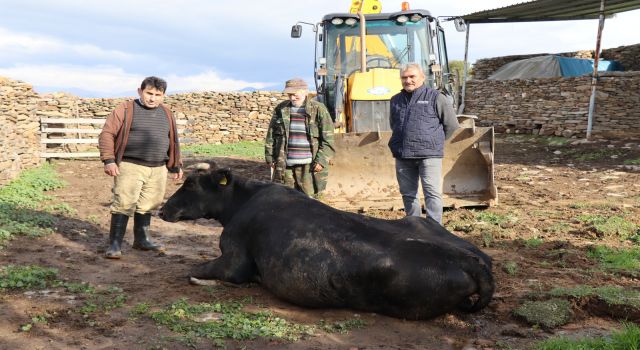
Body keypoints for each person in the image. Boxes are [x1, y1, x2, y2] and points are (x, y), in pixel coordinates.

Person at [98, 76, 183, 259]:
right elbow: (107, 134)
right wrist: (109, 160)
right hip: (130, 165)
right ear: (140, 91)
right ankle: (115, 244)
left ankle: (142, 240)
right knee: (124, 203)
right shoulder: (126, 109)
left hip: (158, 167)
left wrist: (175, 165)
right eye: (149, 93)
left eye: (157, 95)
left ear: (163, 96)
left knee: (149, 203)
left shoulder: (166, 113)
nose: (152, 98)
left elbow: (173, 140)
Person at [388, 63, 460, 224]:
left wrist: (433, 141)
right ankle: (414, 227)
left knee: (432, 193)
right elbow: (394, 124)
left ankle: (435, 230)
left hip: (429, 155)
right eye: (404, 77)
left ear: (422, 77)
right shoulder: (395, 100)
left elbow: (452, 124)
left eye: (412, 77)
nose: (408, 80)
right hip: (403, 155)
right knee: (408, 194)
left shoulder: (436, 97)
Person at [265, 78, 335, 197]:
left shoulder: (318, 109)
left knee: (308, 201)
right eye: (289, 94)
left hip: (309, 165)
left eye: (294, 94)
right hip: (285, 164)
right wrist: (270, 157)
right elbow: (271, 134)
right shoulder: (281, 109)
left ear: (304, 91)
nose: (292, 98)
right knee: (285, 199)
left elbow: (328, 138)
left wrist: (321, 160)